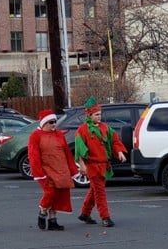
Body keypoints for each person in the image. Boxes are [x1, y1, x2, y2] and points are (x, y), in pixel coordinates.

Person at [74, 97, 127, 227]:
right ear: (89, 115)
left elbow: (114, 140)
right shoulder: (82, 130)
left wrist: (119, 151)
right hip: (92, 165)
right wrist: (82, 165)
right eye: (96, 115)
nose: (99, 117)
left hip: (104, 165)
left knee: (94, 190)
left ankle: (85, 213)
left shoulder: (105, 128)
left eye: (100, 114)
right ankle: (105, 217)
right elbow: (79, 150)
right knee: (100, 191)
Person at [27, 109, 78, 231]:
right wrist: (39, 173)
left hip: (60, 170)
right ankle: (42, 211)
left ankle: (53, 221)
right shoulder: (35, 136)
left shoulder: (59, 134)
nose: (54, 124)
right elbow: (33, 156)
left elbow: (67, 153)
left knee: (58, 194)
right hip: (45, 170)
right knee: (50, 193)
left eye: (55, 122)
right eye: (51, 122)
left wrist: (73, 170)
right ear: (44, 123)